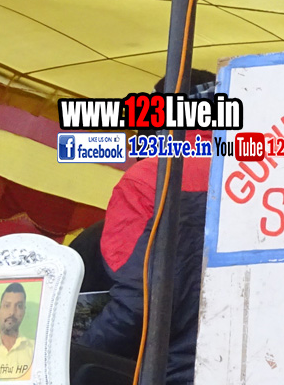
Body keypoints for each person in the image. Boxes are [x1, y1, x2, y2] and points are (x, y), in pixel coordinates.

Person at [79, 69, 216, 385]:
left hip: (170, 375)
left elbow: (138, 304)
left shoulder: (147, 179)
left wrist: (74, 355)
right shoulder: (267, 173)